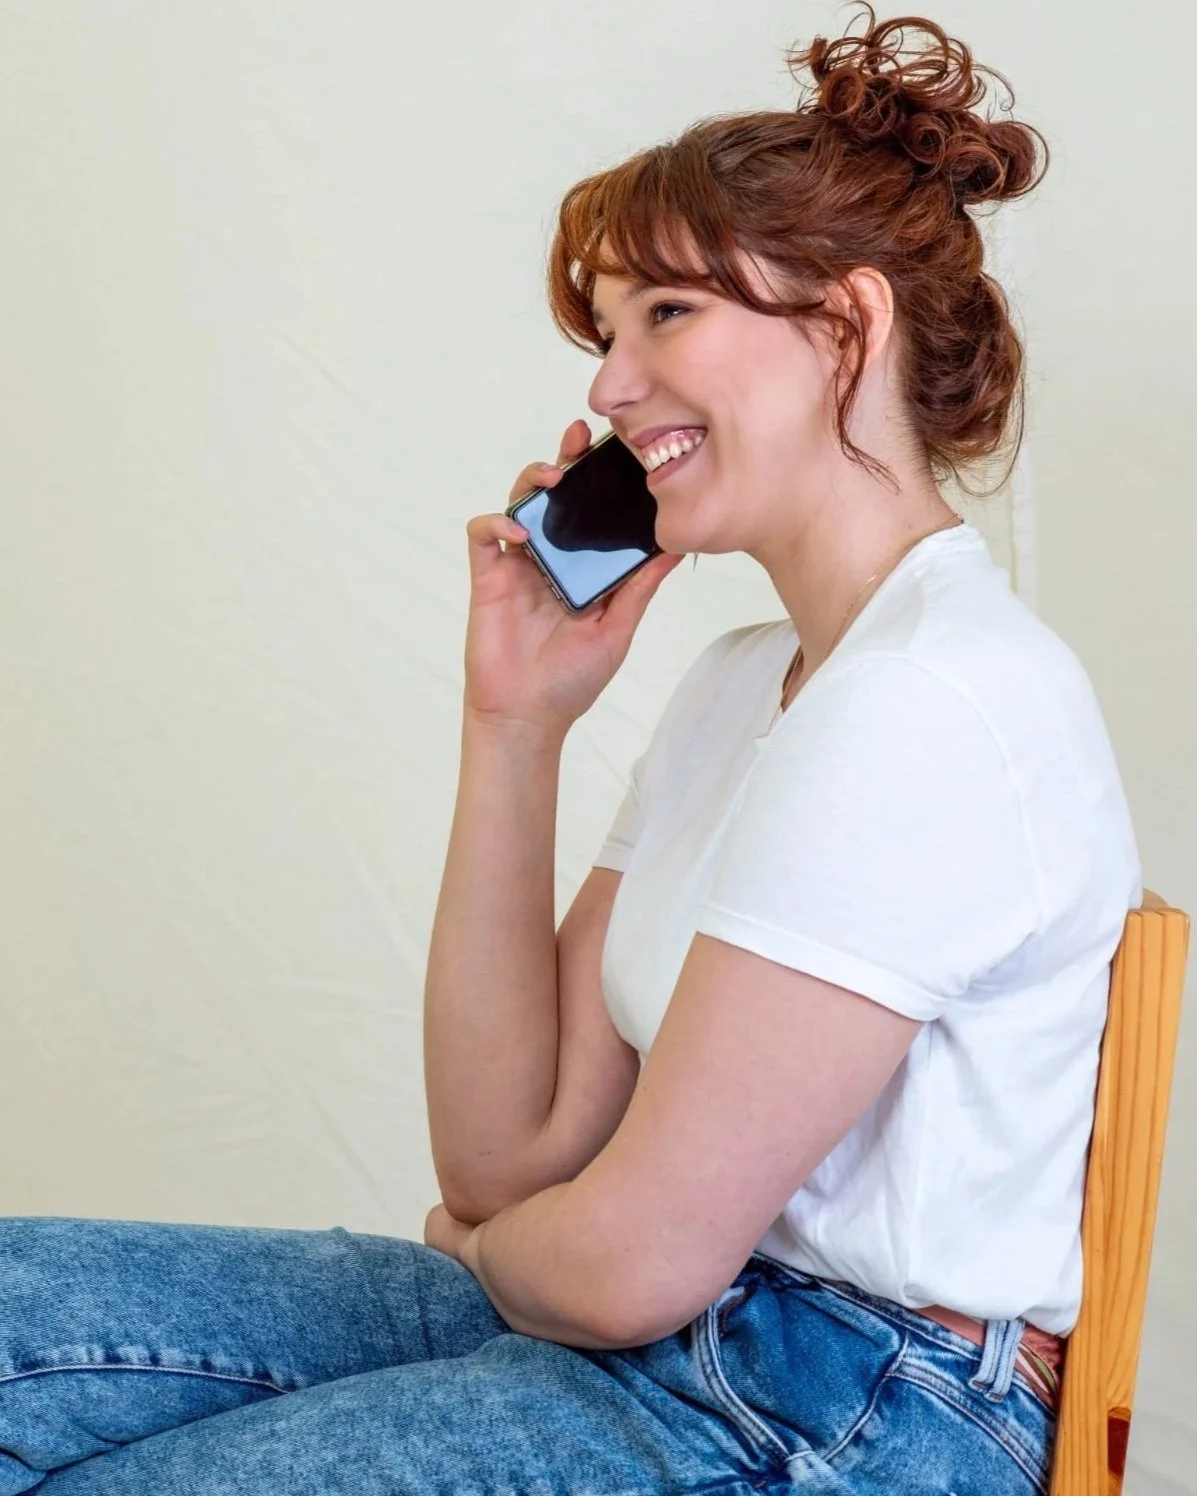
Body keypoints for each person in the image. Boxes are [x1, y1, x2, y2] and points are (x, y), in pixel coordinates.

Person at [0, 8, 1140, 1493]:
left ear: (847, 328)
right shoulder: (752, 686)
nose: (608, 386)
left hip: (860, 1408)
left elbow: (623, 1262)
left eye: (667, 314)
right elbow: (513, 1158)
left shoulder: (936, 700)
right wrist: (516, 723)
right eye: (608, 332)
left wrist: (491, 1256)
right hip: (691, 1346)